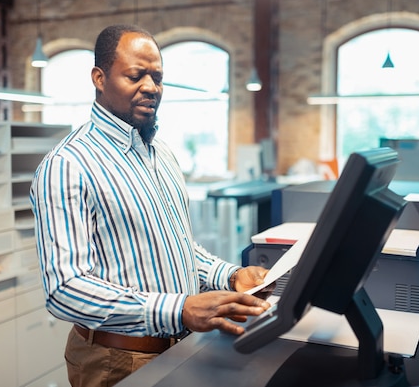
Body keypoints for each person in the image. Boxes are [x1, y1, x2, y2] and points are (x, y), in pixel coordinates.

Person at [30, 23, 272, 387]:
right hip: (117, 360)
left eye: (157, 77)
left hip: (182, 346)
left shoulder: (160, 153)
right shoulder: (68, 165)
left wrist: (230, 275)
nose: (150, 87)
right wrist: (181, 309)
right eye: (135, 75)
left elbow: (175, 246)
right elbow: (65, 289)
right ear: (99, 78)